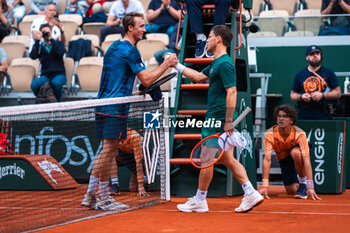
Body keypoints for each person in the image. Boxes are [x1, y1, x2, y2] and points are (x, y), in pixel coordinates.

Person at [81, 12, 177, 211]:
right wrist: (166, 64)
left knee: (106, 151)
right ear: (130, 28)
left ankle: (90, 195)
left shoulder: (113, 47)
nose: (145, 29)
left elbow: (119, 78)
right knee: (108, 151)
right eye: (141, 26)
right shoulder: (131, 51)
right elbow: (147, 80)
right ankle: (102, 197)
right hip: (115, 108)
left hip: (103, 104)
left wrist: (132, 93)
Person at [176, 25, 264, 213]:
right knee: (227, 159)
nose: (206, 40)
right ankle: (250, 192)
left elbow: (232, 91)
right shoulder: (217, 62)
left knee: (205, 159)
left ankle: (200, 200)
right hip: (217, 117)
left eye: (209, 37)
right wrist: (176, 65)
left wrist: (228, 120)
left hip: (217, 118)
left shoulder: (224, 64)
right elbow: (199, 77)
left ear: (218, 39)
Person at [259, 105, 321, 200]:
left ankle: (303, 184)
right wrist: (264, 185)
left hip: (298, 152)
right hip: (284, 157)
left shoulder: (300, 134)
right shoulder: (270, 134)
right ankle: (299, 184)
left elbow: (306, 160)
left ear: (291, 120)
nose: (281, 119)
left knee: (296, 153)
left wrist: (310, 186)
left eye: (285, 116)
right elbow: (267, 160)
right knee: (291, 191)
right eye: (279, 116)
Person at [290, 45, 341, 120]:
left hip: (323, 113)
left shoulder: (328, 73)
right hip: (304, 113)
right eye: (311, 54)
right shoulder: (300, 74)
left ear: (321, 56)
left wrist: (323, 95)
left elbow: (338, 93)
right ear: (307, 57)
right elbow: (292, 95)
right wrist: (301, 97)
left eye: (317, 53)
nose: (315, 56)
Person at [30, 23, 66, 102]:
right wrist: (37, 41)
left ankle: (58, 102)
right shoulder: (40, 46)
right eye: (44, 32)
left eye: (48, 32)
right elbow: (33, 56)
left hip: (59, 74)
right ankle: (45, 99)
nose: (46, 34)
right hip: (46, 75)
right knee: (34, 85)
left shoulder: (58, 44)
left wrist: (51, 39)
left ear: (51, 32)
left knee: (56, 83)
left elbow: (61, 52)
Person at [109, 128, 149, 196]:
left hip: (139, 156)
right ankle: (114, 185)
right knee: (109, 155)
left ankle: (140, 176)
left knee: (133, 189)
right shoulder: (113, 135)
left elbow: (138, 161)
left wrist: (140, 186)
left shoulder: (135, 137)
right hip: (123, 154)